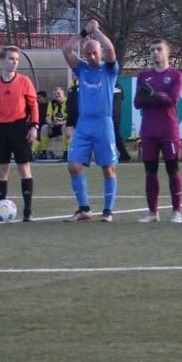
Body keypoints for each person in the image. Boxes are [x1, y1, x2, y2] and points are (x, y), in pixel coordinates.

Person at [62, 19, 120, 222]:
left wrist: (97, 32)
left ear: (100, 53)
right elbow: (67, 50)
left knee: (108, 167)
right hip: (84, 124)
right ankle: (84, 209)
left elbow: (110, 49)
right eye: (88, 54)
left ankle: (108, 211)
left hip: (103, 123)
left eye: (95, 53)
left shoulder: (109, 69)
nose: (92, 56)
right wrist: (84, 33)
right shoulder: (82, 69)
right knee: (74, 166)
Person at [0, 46, 40, 221]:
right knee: (2, 169)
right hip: (1, 130)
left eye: (16, 59)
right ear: (2, 60)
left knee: (24, 167)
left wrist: (34, 126)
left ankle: (27, 211)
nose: (14, 62)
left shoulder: (24, 81)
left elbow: (33, 106)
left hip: (20, 128)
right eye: (11, 58)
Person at [135, 39, 182, 223]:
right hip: (149, 130)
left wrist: (154, 95)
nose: (155, 52)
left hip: (168, 130)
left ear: (167, 52)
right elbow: (137, 103)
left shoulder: (176, 76)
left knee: (172, 169)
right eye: (152, 50)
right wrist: (150, 96)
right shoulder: (143, 76)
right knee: (150, 170)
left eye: (159, 49)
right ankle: (152, 212)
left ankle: (176, 211)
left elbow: (172, 99)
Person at [39, 86, 68, 159]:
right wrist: (50, 122)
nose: (57, 95)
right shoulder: (52, 103)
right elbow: (47, 116)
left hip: (64, 125)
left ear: (63, 93)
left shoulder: (68, 102)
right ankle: (44, 152)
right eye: (55, 94)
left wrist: (60, 123)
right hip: (54, 125)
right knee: (44, 127)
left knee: (65, 127)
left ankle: (66, 152)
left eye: (58, 93)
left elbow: (71, 119)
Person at [112, 82, 131, 161]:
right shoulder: (119, 85)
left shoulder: (105, 83)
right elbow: (122, 98)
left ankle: (124, 154)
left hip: (108, 115)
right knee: (117, 136)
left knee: (116, 136)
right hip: (116, 115)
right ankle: (124, 154)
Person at [64, 78, 79, 162]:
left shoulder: (84, 84)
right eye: (73, 72)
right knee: (68, 134)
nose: (73, 73)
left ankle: (79, 154)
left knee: (79, 135)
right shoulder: (71, 86)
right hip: (71, 114)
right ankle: (71, 153)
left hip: (80, 114)